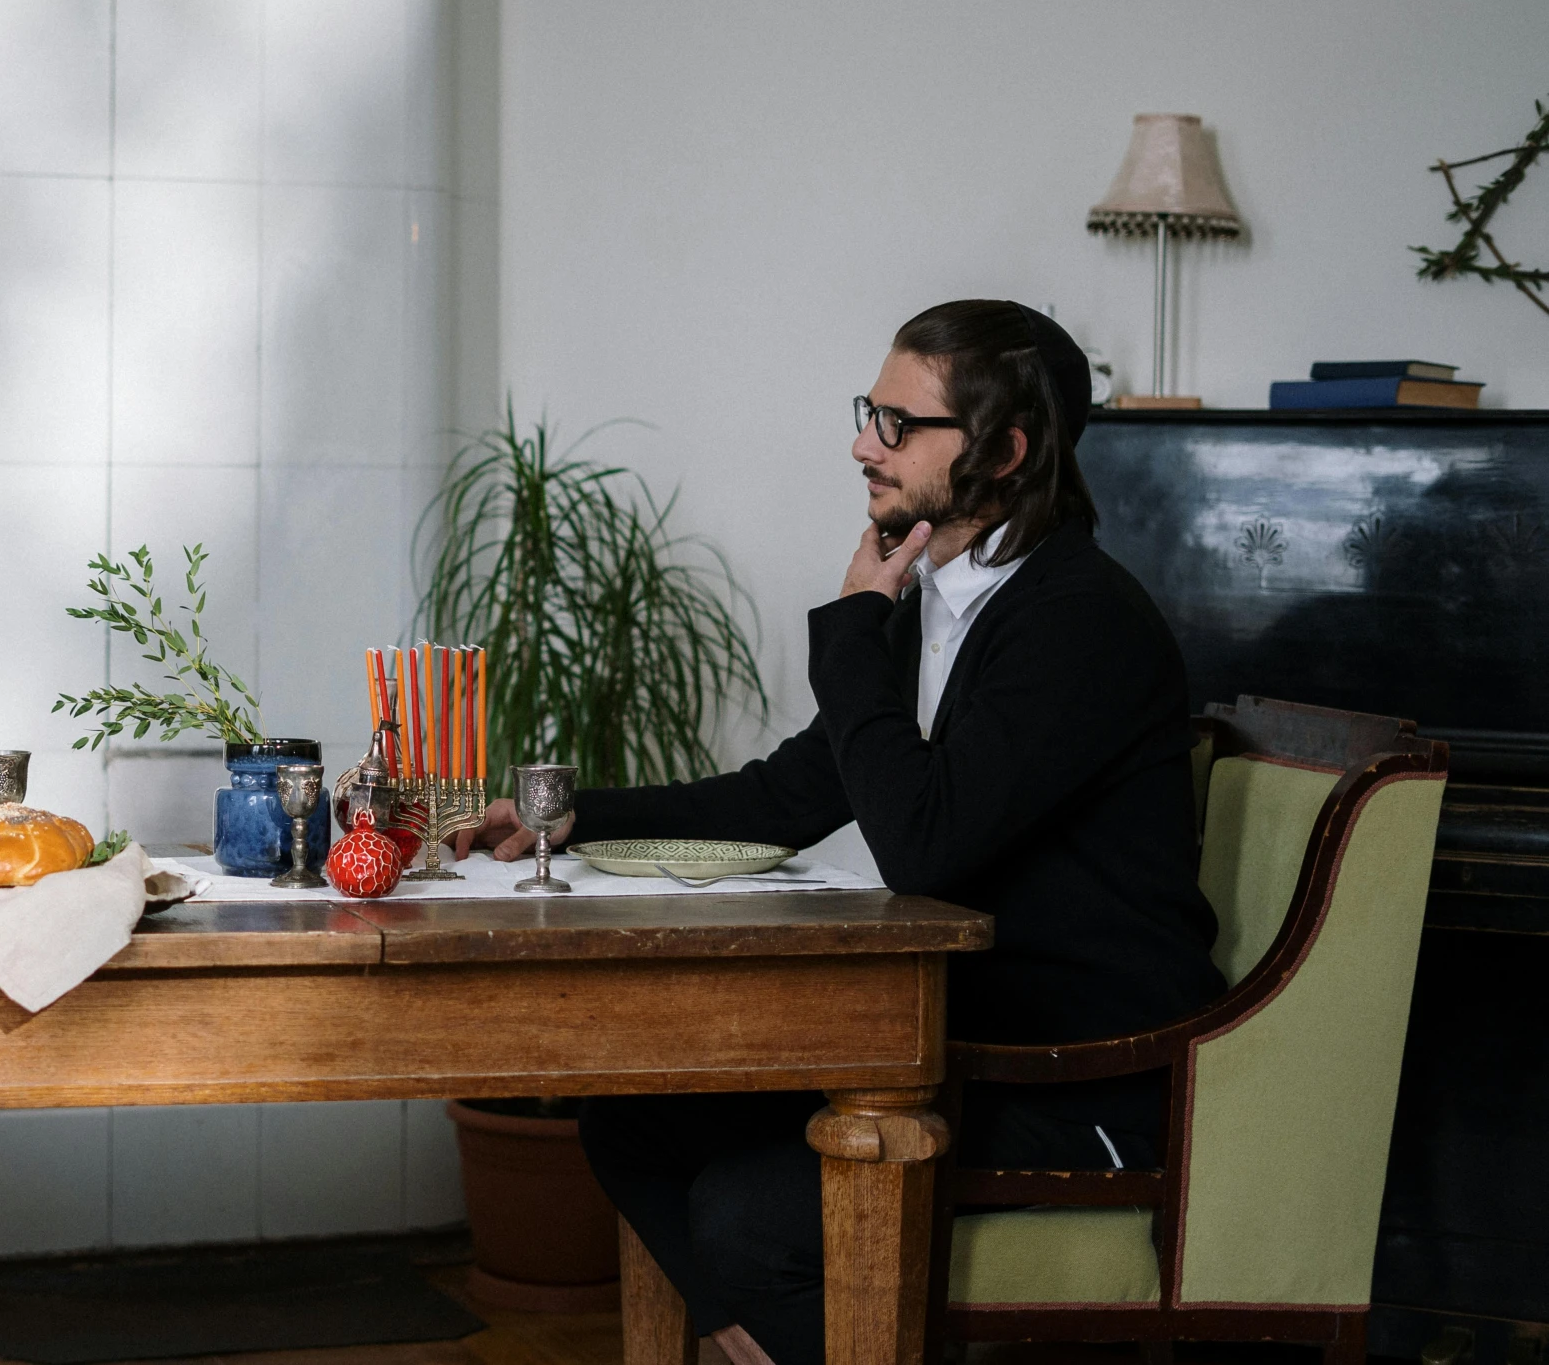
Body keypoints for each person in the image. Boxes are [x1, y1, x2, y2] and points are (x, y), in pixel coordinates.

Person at [451, 299, 1225, 1365]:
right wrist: (575, 817)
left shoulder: (1074, 618)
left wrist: (857, 624)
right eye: (871, 412)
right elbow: (787, 794)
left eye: (900, 424)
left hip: (1081, 1078)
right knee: (628, 1121)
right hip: (962, 1048)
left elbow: (924, 846)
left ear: (1004, 450)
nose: (864, 443)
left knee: (745, 1210)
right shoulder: (948, 600)